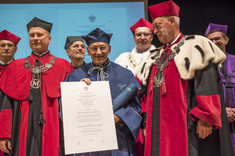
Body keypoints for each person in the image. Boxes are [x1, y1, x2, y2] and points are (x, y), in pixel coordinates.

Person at [136, 1, 234, 156]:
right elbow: (149, 91)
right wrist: (148, 122)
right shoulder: (157, 55)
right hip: (160, 125)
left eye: (158, 25)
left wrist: (206, 117)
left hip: (186, 125)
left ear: (172, 21)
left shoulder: (196, 45)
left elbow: (206, 82)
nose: (155, 31)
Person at [0, 17, 73, 156]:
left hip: (54, 127)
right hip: (20, 125)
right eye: (32, 35)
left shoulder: (64, 66)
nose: (35, 38)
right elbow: (6, 104)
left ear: (49, 39)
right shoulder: (14, 66)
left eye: (39, 35)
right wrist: (4, 134)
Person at [64, 27, 142, 156]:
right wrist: (77, 91)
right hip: (86, 140)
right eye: (94, 48)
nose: (98, 52)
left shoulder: (125, 74)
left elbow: (135, 107)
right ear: (88, 51)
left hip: (117, 138)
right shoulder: (75, 76)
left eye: (102, 48)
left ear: (109, 49)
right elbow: (65, 108)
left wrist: (120, 117)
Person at [205, 23, 235, 152]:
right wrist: (222, 112)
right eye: (210, 40)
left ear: (226, 40)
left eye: (217, 38)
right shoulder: (202, 65)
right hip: (214, 122)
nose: (214, 42)